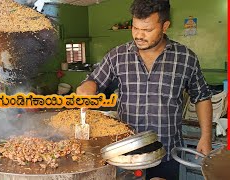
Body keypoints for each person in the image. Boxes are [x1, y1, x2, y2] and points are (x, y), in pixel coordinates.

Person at [76, 0, 212, 179]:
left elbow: (201, 96)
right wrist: (88, 87)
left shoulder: (185, 58)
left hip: (166, 153)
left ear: (165, 26)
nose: (139, 35)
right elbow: (92, 81)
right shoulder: (117, 56)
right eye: (135, 28)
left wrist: (206, 136)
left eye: (147, 30)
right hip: (125, 154)